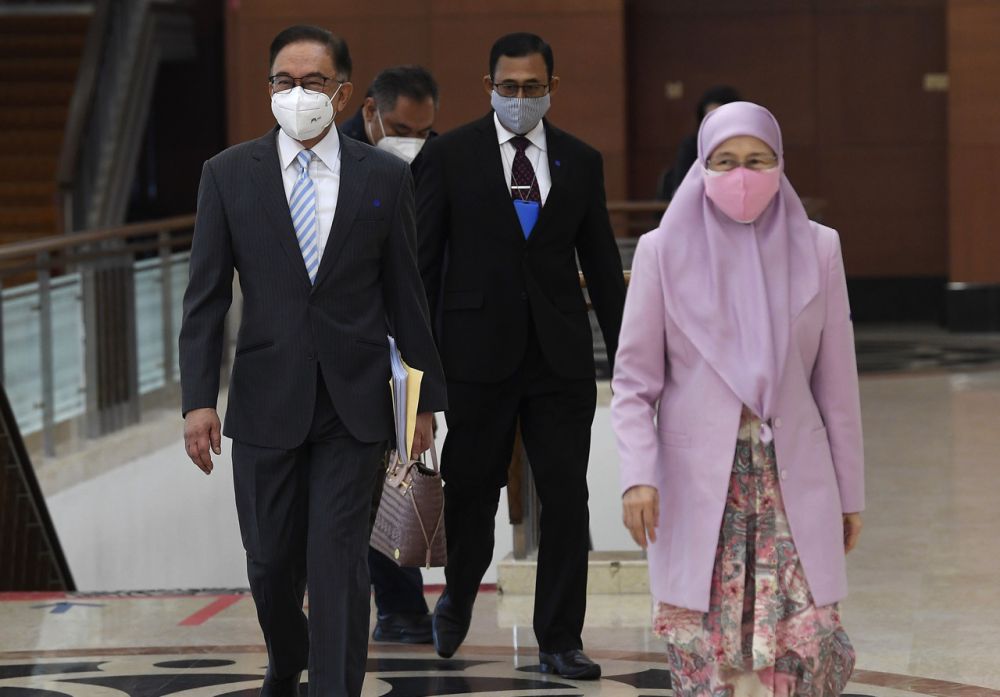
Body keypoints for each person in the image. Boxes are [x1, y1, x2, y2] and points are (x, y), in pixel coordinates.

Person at [179, 25, 446, 697]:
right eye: (284, 81)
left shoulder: (383, 176)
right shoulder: (227, 175)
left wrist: (423, 405)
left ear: (343, 93)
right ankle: (286, 654)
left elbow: (406, 296)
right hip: (265, 400)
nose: (296, 93)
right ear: (268, 88)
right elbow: (205, 299)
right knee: (270, 564)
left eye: (313, 82)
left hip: (354, 406)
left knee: (337, 563)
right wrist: (198, 400)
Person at [612, 101, 864, 696]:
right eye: (725, 161)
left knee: (803, 648)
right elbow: (634, 383)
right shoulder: (662, 251)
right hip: (700, 486)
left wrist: (850, 493)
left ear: (781, 165)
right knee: (709, 652)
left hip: (790, 482)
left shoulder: (819, 248)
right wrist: (638, 476)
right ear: (702, 166)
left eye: (757, 160)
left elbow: (837, 386)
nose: (742, 175)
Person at [416, 32, 626, 679]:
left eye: (532, 87)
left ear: (551, 88)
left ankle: (560, 638)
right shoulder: (449, 156)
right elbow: (422, 267)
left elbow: (603, 268)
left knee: (565, 499)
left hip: (559, 360)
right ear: (489, 87)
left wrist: (629, 359)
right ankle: (458, 594)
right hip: (475, 357)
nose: (519, 97)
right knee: (471, 491)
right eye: (508, 87)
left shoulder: (580, 161)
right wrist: (419, 373)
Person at [342, 64, 440, 645]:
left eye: (424, 131)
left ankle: (402, 608)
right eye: (402, 129)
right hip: (351, 347)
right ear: (371, 111)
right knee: (359, 487)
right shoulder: (337, 157)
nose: (414, 142)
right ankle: (381, 606)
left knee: (398, 479)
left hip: (409, 344)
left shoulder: (433, 161)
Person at [656, 85, 742, 201]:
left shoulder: (745, 145)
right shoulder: (691, 145)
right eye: (709, 118)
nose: (714, 123)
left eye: (720, 117)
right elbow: (682, 190)